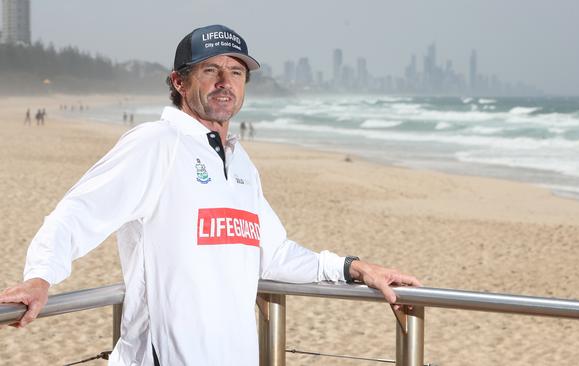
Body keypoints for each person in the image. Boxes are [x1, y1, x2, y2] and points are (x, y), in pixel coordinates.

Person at [0, 24, 420, 365]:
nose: (225, 82)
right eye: (210, 70)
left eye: (236, 72)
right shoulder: (156, 143)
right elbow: (76, 213)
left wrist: (357, 268)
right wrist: (41, 277)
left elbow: (273, 253)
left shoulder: (240, 162)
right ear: (179, 82)